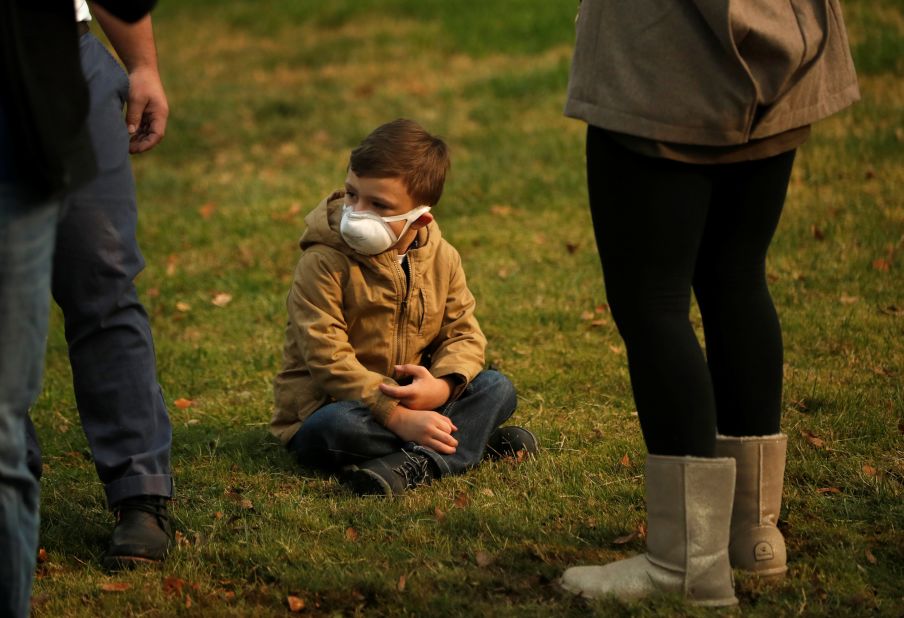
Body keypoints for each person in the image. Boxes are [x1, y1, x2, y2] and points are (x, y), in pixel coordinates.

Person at [558, 1, 859, 606]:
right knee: (736, 277)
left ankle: (687, 562)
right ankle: (752, 534)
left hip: (667, 64)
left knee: (653, 302)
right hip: (782, 47)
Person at [271, 119, 537, 496]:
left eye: (378, 204)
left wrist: (443, 388)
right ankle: (472, 445)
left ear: (420, 218)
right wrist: (395, 415)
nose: (356, 213)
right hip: (336, 408)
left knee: (498, 387)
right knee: (337, 427)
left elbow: (463, 333)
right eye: (351, 194)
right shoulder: (322, 263)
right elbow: (327, 359)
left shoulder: (443, 259)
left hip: (416, 400)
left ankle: (413, 461)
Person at [1, 1, 156, 613]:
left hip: (57, 55)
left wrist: (142, 62)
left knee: (103, 274)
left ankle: (140, 489)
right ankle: (15, 486)